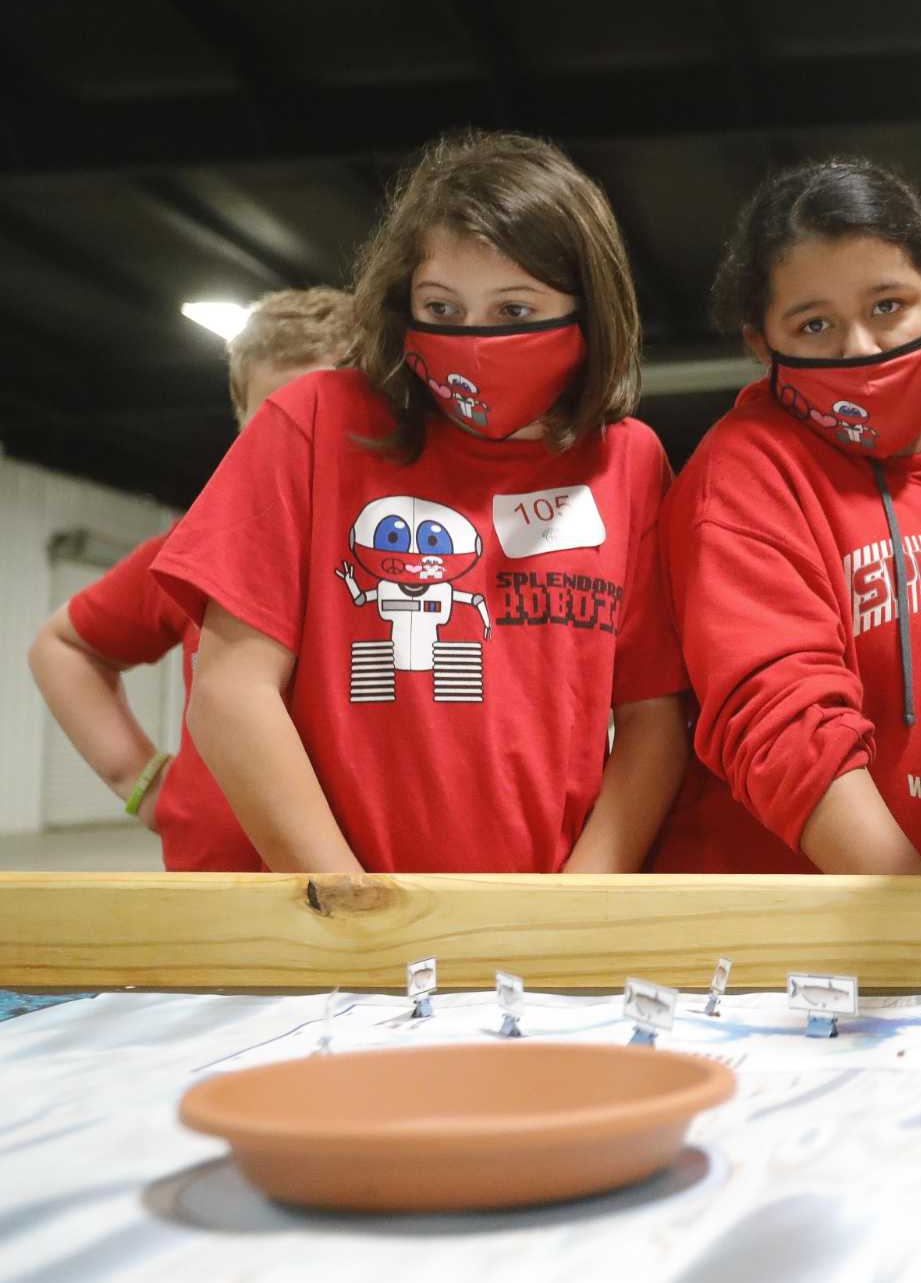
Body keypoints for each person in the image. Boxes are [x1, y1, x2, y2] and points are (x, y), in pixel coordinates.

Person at [153, 130, 685, 874]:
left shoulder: (626, 462)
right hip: (341, 923)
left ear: (587, 311)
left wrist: (579, 904)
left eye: (512, 311)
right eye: (442, 307)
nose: (473, 342)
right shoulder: (314, 424)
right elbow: (230, 692)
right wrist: (350, 906)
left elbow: (653, 717)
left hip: (541, 930)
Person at [656, 159, 921, 874]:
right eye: (815, 324)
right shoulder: (744, 475)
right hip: (800, 953)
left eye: (887, 306)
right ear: (763, 343)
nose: (861, 350)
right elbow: (783, 724)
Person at [28, 288, 352, 869]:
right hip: (217, 878)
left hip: (370, 879)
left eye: (326, 418)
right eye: (277, 421)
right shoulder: (200, 548)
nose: (303, 444)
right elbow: (63, 647)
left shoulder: (417, 563)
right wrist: (141, 780)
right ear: (241, 423)